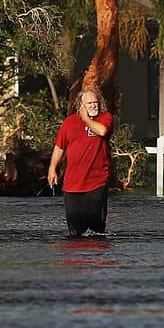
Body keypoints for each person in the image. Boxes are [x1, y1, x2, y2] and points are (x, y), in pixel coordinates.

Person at [48, 87, 114, 236]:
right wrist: (52, 168)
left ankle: (96, 255)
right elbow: (59, 147)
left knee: (95, 227)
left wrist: (86, 119)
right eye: (89, 103)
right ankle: (76, 257)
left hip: (97, 182)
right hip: (72, 184)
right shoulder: (69, 122)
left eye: (96, 102)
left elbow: (102, 131)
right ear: (80, 105)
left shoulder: (105, 118)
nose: (93, 105)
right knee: (75, 230)